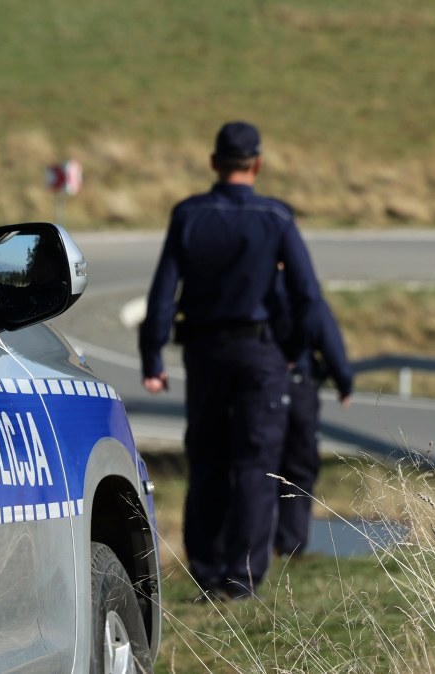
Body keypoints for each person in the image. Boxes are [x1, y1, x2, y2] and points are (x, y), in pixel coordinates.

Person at [139, 121, 321, 599]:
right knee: (255, 462)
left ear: (214, 163)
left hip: (204, 352)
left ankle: (206, 568)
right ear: (257, 164)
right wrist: (294, 349)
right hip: (260, 353)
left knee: (206, 457)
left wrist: (152, 354)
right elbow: (307, 294)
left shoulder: (188, 215)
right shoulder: (276, 217)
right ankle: (242, 579)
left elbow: (163, 292)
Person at [269, 274, 353, 558]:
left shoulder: (250, 283)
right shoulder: (304, 292)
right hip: (298, 389)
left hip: (256, 387)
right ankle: (289, 546)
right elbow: (330, 342)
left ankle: (251, 545)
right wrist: (344, 383)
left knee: (255, 467)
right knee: (299, 469)